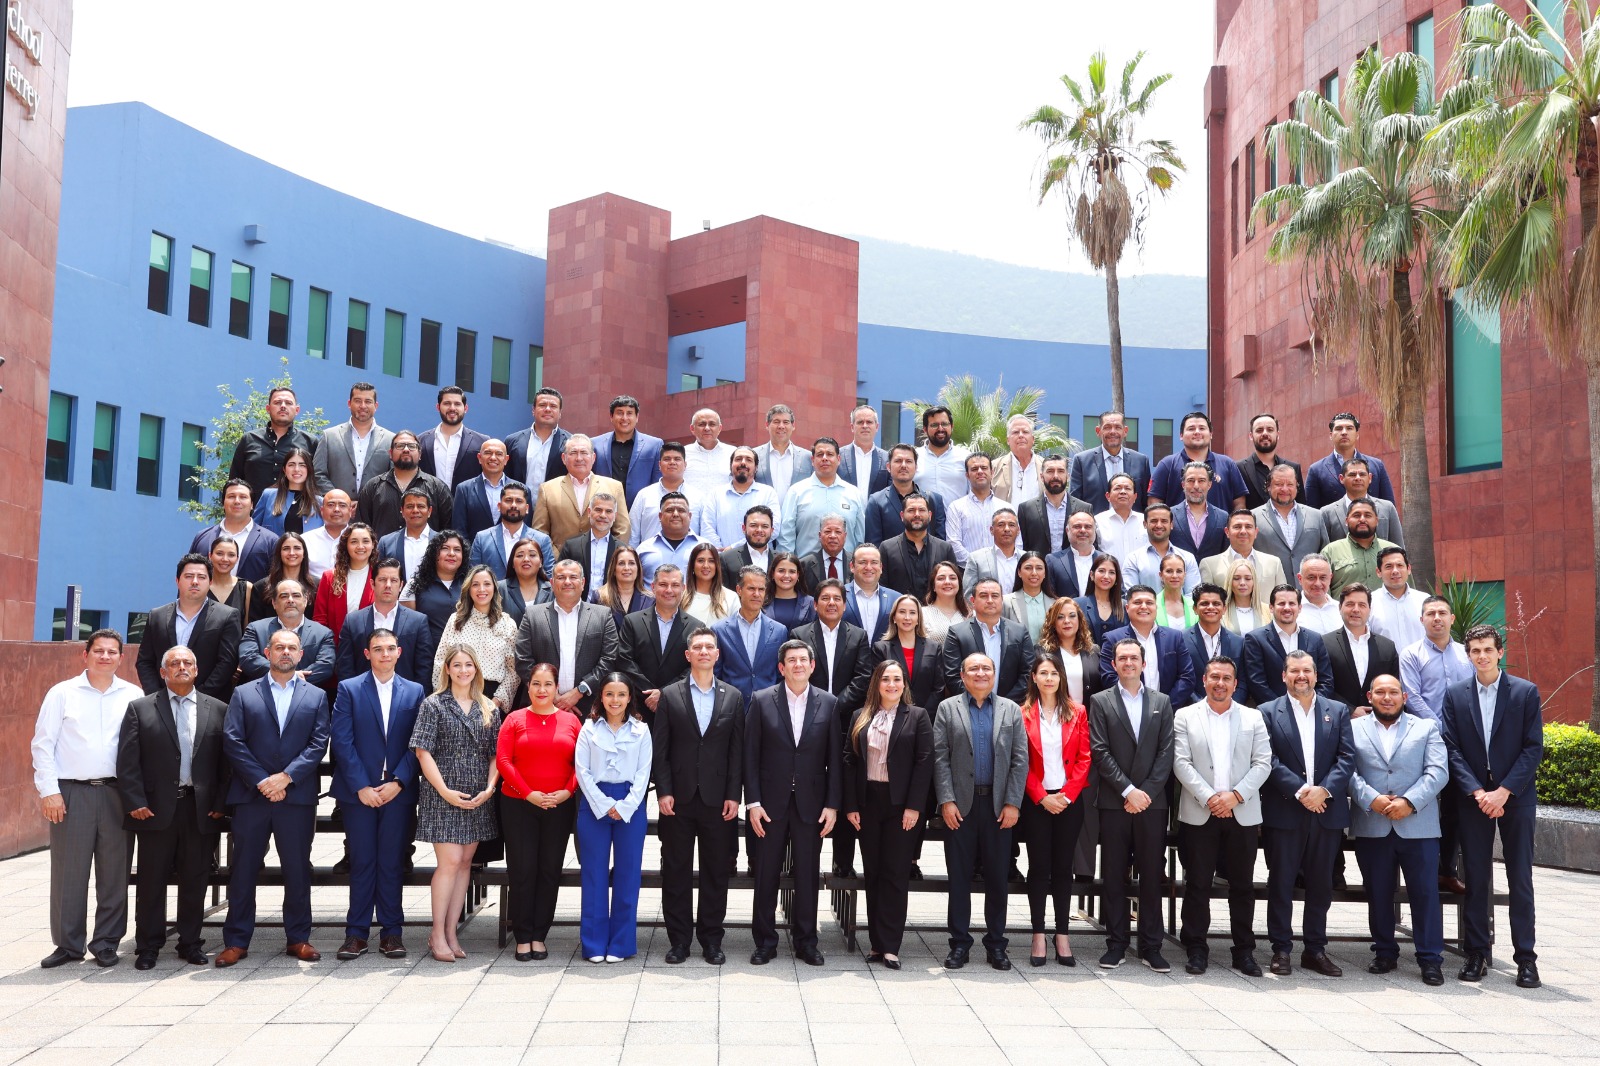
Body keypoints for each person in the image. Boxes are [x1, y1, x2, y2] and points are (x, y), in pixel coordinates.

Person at [215, 628, 330, 967]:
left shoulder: (316, 696)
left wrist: (286, 777)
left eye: (292, 648)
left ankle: (298, 938)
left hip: (296, 797)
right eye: (279, 647)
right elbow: (233, 740)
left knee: (297, 869)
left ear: (301, 655)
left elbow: (318, 743)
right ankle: (236, 940)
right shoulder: (243, 693)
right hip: (252, 796)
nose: (285, 652)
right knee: (244, 869)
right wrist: (262, 780)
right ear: (267, 653)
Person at [33, 630, 143, 969]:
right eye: (98, 651)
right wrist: (49, 791)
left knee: (115, 874)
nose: (105, 657)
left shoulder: (133, 695)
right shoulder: (62, 693)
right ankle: (68, 945)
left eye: (112, 652)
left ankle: (107, 942)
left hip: (116, 795)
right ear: (86, 655)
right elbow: (43, 745)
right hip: (71, 793)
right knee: (69, 872)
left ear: (121, 657)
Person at [1441, 625, 1543, 989]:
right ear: (1467, 654)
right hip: (1473, 800)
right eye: (1475, 650)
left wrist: (1504, 792)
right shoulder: (1455, 694)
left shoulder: (1524, 692)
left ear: (1500, 652)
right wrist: (1477, 791)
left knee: (1520, 877)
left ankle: (1526, 959)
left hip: (1516, 797)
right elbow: (1451, 748)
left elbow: (1533, 747)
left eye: (1488, 649)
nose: (1481, 656)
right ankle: (1476, 953)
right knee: (1476, 876)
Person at [117, 646, 229, 970]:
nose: (182, 666)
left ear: (197, 669)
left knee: (195, 879)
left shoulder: (218, 709)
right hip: (154, 810)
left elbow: (227, 763)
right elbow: (127, 760)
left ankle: (190, 943)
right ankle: (148, 946)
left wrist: (220, 803)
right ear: (163, 672)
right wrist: (135, 801)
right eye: (174, 663)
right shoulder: (140, 708)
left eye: (187, 662)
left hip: (200, 809)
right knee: (151, 881)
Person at [329, 629, 426, 962]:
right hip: (360, 793)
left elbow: (418, 742)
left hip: (397, 792)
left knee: (392, 862)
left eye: (390, 648)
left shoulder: (414, 691)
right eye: (378, 649)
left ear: (399, 652)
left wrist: (399, 781)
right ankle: (356, 934)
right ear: (367, 654)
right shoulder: (349, 689)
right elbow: (342, 741)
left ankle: (391, 933)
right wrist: (361, 786)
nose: (385, 654)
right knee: (362, 861)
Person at [745, 639, 844, 965]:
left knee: (807, 874)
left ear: (812, 666)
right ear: (781, 667)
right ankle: (765, 942)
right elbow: (750, 755)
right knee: (766, 873)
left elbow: (835, 759)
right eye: (792, 660)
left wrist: (832, 805)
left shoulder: (829, 703)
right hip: (769, 804)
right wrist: (753, 802)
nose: (798, 665)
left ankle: (806, 942)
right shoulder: (761, 700)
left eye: (803, 660)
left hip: (811, 804)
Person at [1172, 656, 1272, 976]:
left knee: (1242, 886)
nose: (1220, 683)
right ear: (1204, 680)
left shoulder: (1253, 717)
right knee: (1197, 884)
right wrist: (1210, 797)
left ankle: (1243, 951)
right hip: (1200, 812)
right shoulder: (1185, 716)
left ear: (1235, 684)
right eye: (1214, 677)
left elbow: (1263, 763)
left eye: (1226, 678)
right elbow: (1181, 762)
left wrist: (1235, 796)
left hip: (1241, 812)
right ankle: (1196, 948)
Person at [1258, 650, 1355, 977]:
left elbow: (1347, 758)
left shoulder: (1336, 710)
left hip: (1326, 810)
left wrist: (1323, 790)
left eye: (1307, 671)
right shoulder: (1267, 712)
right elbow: (1267, 759)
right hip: (1285, 810)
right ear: (1284, 676)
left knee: (1320, 885)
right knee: (1281, 883)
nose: (1301, 676)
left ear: (1316, 675)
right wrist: (1301, 791)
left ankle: (1315, 949)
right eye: (1294, 671)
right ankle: (1281, 949)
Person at [1349, 674, 1448, 985]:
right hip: (1372, 822)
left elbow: (1438, 772)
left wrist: (1409, 801)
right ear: (1370, 697)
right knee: (1378, 892)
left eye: (1393, 692)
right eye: (1380, 692)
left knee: (1425, 893)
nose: (1387, 697)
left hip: (1418, 825)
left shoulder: (1426, 727)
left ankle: (1430, 958)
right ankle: (1384, 952)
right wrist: (1371, 798)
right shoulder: (1352, 729)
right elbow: (1346, 769)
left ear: (1404, 697)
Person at [653, 627, 745, 964]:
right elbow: (660, 749)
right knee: (675, 872)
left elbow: (737, 751)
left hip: (718, 801)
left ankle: (711, 941)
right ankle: (679, 941)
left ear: (717, 654)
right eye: (698, 647)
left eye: (709, 647)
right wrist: (663, 791)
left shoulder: (733, 696)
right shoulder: (670, 695)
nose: (704, 651)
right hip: (677, 800)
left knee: (715, 873)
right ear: (688, 655)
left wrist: (734, 795)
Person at [932, 653, 1027, 970]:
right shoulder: (948, 708)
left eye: (986, 668)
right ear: (962, 675)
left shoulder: (1011, 710)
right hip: (960, 806)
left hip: (999, 807)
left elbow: (1020, 760)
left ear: (994, 674)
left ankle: (996, 944)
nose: (980, 673)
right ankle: (959, 943)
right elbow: (940, 757)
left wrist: (1013, 802)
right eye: (974, 668)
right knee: (959, 878)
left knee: (998, 878)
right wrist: (946, 800)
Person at [1088, 637, 1176, 971]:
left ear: (1143, 663)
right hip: (1115, 802)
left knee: (1151, 875)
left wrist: (1145, 793)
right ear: (1114, 664)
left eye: (1134, 658)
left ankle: (1151, 945)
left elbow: (1166, 752)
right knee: (1114, 874)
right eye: (1122, 658)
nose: (1128, 663)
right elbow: (1099, 750)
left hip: (1152, 804)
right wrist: (1128, 791)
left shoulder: (1162, 702)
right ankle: (1116, 943)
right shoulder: (1101, 701)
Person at [413, 645, 503, 963]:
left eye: (469, 665)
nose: (463, 670)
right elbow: (422, 751)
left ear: (476, 669)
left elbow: (496, 755)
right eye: (457, 665)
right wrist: (444, 791)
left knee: (465, 863)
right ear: (447, 670)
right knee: (449, 862)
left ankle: (452, 932)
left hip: (477, 795)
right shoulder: (433, 704)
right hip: (442, 795)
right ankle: (437, 933)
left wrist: (490, 789)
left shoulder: (489, 707)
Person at [844, 660, 934, 969]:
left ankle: (891, 945)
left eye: (897, 679)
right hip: (868, 802)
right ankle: (876, 943)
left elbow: (924, 762)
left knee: (895, 873)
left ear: (904, 684)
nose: (891, 684)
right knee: (873, 873)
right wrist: (851, 805)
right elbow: (849, 761)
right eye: (885, 679)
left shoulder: (918, 716)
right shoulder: (860, 716)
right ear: (876, 683)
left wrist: (914, 806)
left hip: (901, 805)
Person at [496, 660, 579, 962]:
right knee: (522, 870)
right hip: (519, 805)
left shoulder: (571, 722)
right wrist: (528, 793)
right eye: (536, 684)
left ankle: (539, 935)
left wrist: (568, 790)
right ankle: (522, 936)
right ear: (528, 687)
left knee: (548, 870)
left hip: (559, 806)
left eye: (548, 684)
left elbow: (582, 763)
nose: (542, 690)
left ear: (557, 688)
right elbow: (504, 761)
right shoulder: (514, 719)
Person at [793, 579, 875, 877]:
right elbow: (796, 675)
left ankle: (843, 862)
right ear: (815, 604)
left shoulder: (858, 636)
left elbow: (863, 677)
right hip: (806, 723)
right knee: (806, 786)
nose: (831, 603)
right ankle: (799, 862)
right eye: (825, 598)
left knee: (843, 789)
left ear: (844, 604)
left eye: (836, 599)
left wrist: (832, 705)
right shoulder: (799, 634)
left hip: (844, 723)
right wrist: (818, 707)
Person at [1017, 651, 1091, 967]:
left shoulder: (1077, 711)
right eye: (1043, 673)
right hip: (1037, 802)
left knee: (1063, 868)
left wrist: (1067, 795)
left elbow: (1085, 758)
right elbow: (1019, 760)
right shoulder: (1021, 714)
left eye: (1054, 673)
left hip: (1068, 801)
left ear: (1061, 678)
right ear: (1034, 678)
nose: (1049, 678)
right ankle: (1038, 934)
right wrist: (1040, 796)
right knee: (1038, 867)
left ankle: (1062, 934)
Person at [573, 675, 653, 963]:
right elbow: (582, 771)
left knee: (627, 874)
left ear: (630, 697)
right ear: (601, 697)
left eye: (621, 694)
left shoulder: (642, 731)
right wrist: (604, 804)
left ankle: (621, 943)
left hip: (631, 804)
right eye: (609, 694)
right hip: (594, 803)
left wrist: (626, 805)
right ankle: (594, 944)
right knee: (593, 874)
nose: (615, 700)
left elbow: (644, 773)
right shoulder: (588, 728)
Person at [513, 559, 621, 715]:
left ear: (583, 583)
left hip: (589, 708)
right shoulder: (533, 615)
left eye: (573, 577)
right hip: (541, 706)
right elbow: (522, 659)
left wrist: (579, 691)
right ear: (552, 583)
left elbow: (609, 658)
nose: (567, 582)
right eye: (561, 577)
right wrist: (552, 695)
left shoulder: (602, 615)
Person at [136, 553, 243, 703]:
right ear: (177, 581)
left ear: (210, 582)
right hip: (162, 702)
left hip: (208, 703)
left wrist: (195, 698)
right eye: (188, 576)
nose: (195, 582)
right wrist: (158, 696)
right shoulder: (157, 616)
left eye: (201, 577)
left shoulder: (227, 616)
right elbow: (144, 661)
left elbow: (227, 663)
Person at [336, 557, 436, 689]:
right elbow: (345, 668)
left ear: (401, 585)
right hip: (362, 695)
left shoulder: (418, 621)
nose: (388, 585)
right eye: (382, 579)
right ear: (372, 584)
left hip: (406, 697)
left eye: (394, 580)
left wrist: (417, 698)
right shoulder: (353, 621)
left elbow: (424, 668)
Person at [1098, 585, 1200, 710]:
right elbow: (1109, 678)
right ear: (1127, 608)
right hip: (1128, 712)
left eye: (1149, 603)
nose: (1144, 606)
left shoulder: (1174, 637)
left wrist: (1165, 707)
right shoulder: (1112, 639)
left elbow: (1187, 677)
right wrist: (1136, 706)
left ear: (1156, 608)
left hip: (1168, 712)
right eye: (1137, 602)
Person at [431, 565, 519, 706]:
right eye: (475, 584)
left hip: (491, 698)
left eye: (487, 584)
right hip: (455, 696)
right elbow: (440, 661)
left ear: (494, 588)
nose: (481, 589)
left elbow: (513, 671)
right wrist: (443, 698)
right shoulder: (456, 620)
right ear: (468, 589)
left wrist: (496, 702)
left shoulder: (508, 624)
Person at [619, 564, 693, 724]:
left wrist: (664, 694)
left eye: (675, 585)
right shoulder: (632, 621)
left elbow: (693, 667)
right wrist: (650, 695)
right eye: (663, 584)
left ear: (683, 588)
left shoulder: (696, 627)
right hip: (638, 709)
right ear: (653, 587)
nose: (669, 590)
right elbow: (624, 661)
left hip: (677, 710)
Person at [941, 578, 1035, 702]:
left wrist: (1004, 704)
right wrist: (979, 702)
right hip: (969, 707)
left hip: (1011, 706)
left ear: (1002, 600)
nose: (990, 600)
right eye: (983, 596)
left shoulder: (1020, 632)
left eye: (995, 596)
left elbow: (1028, 673)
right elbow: (952, 676)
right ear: (973, 601)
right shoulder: (957, 633)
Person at [1242, 584, 1335, 706]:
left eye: (1292, 603)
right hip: (1274, 712)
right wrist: (1283, 711)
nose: (1287, 608)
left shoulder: (1315, 639)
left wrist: (1312, 706)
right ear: (1271, 607)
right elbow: (1256, 683)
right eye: (1281, 603)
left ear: (1300, 608)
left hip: (1312, 710)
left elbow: (1326, 680)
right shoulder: (1255, 639)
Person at [533, 433, 631, 547]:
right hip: (559, 556)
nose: (579, 458)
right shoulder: (547, 489)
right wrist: (556, 556)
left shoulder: (614, 487)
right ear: (564, 458)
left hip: (602, 556)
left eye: (584, 453)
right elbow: (540, 532)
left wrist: (611, 555)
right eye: (573, 453)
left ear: (593, 458)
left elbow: (623, 529)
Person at [713, 567, 790, 705]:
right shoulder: (719, 630)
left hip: (768, 707)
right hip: (731, 707)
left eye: (761, 589)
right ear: (739, 590)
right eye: (751, 588)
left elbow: (782, 674)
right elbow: (715, 674)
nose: (757, 594)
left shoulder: (779, 631)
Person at [357, 431, 454, 540]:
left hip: (427, 551)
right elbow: (361, 529)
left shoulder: (438, 488)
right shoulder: (373, 487)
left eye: (412, 446)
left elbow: (449, 532)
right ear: (390, 453)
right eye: (400, 446)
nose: (406, 449)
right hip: (382, 550)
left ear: (420, 454)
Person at [237, 579, 335, 685]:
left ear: (305, 601)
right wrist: (288, 675)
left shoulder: (323, 634)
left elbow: (326, 665)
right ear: (274, 603)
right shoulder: (255, 629)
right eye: (284, 596)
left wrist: (295, 679)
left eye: (296, 595)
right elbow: (247, 658)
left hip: (305, 692)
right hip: (263, 691)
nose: (290, 600)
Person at [1323, 583, 1401, 718]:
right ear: (1340, 607)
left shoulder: (1387, 647)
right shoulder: (1324, 643)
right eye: (1350, 604)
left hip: (1378, 720)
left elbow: (1393, 687)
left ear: (1369, 609)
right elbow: (1322, 686)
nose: (1356, 609)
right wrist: (1349, 710)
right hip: (1338, 721)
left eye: (1362, 605)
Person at [780, 437, 866, 556]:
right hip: (805, 564)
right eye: (820, 455)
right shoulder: (797, 492)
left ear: (838, 459)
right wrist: (787, 563)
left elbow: (860, 538)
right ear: (812, 460)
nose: (825, 458)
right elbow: (786, 535)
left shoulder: (854, 494)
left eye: (830, 454)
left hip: (845, 566)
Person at [1148, 411, 1247, 513]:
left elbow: (1239, 502)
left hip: (1220, 523)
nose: (1197, 432)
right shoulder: (1167, 465)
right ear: (1181, 435)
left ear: (1211, 434)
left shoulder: (1227, 464)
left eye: (1202, 428)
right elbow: (1154, 501)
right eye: (1191, 429)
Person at [228, 385, 318, 497]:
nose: (283, 406)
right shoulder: (249, 439)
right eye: (277, 402)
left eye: (288, 403)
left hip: (296, 507)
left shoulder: (310, 442)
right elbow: (234, 481)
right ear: (268, 408)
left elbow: (316, 482)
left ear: (297, 410)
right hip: (254, 507)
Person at [1398, 597, 1474, 724]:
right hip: (1427, 731)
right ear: (1422, 620)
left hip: (1467, 728)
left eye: (1442, 613)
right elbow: (1412, 698)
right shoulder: (1411, 655)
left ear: (1452, 619)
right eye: (1431, 614)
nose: (1437, 618)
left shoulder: (1468, 653)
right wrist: (1439, 728)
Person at [189, 478, 280, 582]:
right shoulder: (202, 537)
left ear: (252, 505)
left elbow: (276, 581)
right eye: (231, 496)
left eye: (243, 497)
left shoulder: (270, 541)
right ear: (223, 503)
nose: (237, 501)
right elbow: (188, 576)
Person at [314, 381, 393, 496]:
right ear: (349, 403)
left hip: (375, 506)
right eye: (357, 401)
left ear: (376, 406)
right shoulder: (329, 436)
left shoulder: (391, 440)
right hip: (336, 505)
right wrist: (339, 499)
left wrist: (369, 502)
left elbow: (394, 477)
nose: (363, 406)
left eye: (368, 401)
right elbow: (317, 473)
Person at [1304, 411, 1396, 508]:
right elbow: (1310, 510)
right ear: (1331, 435)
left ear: (1357, 435)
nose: (1344, 432)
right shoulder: (1316, 470)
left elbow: (1388, 506)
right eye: (1339, 429)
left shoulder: (1376, 466)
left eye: (1349, 428)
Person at [1253, 462, 1326, 583]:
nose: (1285, 489)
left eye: (1290, 484)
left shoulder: (1316, 515)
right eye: (1278, 484)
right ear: (1268, 486)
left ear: (1297, 486)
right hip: (1270, 588)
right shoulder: (1254, 517)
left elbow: (1325, 555)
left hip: (1310, 589)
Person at [469, 482, 555, 581]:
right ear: (499, 506)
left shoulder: (542, 540)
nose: (513, 505)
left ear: (527, 508)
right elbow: (473, 575)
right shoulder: (482, 538)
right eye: (508, 500)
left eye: (519, 501)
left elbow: (549, 577)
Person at [629, 444, 709, 551]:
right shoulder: (644, 495)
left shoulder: (698, 497)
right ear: (659, 465)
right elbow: (633, 534)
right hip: (651, 556)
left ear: (685, 465)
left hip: (690, 557)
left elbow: (705, 532)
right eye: (667, 459)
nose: (672, 462)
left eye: (677, 459)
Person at [1070, 411, 1152, 515]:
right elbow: (1075, 502)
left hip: (1132, 523)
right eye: (1107, 427)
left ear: (1125, 431)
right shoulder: (1082, 461)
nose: (1112, 431)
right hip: (1095, 523)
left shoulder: (1141, 461)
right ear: (1098, 431)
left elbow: (1145, 502)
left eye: (1117, 427)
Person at [865, 443, 949, 544]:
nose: (903, 465)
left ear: (916, 467)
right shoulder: (876, 502)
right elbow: (873, 545)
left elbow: (941, 544)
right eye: (898, 461)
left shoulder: (933, 500)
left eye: (909, 461)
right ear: (888, 467)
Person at [700, 446, 781, 548]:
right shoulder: (715, 494)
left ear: (756, 468)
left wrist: (734, 548)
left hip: (759, 556)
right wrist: (723, 553)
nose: (743, 463)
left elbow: (774, 528)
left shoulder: (768, 493)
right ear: (731, 466)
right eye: (738, 459)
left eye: (749, 460)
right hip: (721, 556)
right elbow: (707, 529)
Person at [592, 394, 663, 508]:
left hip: (641, 510)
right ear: (611, 416)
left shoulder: (654, 445)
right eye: (619, 413)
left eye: (629, 413)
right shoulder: (595, 444)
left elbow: (657, 483)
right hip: (604, 510)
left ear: (637, 417)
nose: (624, 418)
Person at [881, 493, 956, 598]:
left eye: (921, 510)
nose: (917, 514)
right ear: (902, 516)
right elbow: (882, 587)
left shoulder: (944, 549)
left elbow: (953, 585)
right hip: (899, 607)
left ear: (930, 515)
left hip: (936, 607)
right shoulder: (887, 548)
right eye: (911, 510)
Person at [312, 522, 376, 646]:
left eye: (365, 541)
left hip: (372, 648)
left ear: (373, 545)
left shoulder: (380, 577)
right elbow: (320, 619)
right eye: (354, 542)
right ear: (346, 545)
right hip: (336, 647)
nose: (360, 546)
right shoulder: (329, 577)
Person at [1318, 457, 1405, 545]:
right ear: (1341, 478)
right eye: (1352, 475)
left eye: (1362, 474)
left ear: (1370, 478)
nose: (1358, 478)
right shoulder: (1327, 513)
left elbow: (1398, 546)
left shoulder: (1387, 508)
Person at [1019, 453, 1094, 554]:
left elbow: (1090, 545)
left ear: (1068, 476)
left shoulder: (1084, 508)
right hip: (1038, 563)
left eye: (1061, 471)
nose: (1055, 476)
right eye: (1050, 471)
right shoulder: (1026, 509)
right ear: (1041, 476)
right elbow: (1023, 547)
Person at [1198, 509, 1290, 592]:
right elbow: (1206, 600)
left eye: (1248, 527)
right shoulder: (1209, 565)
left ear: (1256, 532)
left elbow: (1283, 598)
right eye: (1237, 527)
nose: (1243, 531)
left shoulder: (1274, 563)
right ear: (1227, 532)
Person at [416, 385, 487, 491]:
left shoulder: (482, 442)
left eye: (457, 404)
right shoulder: (420, 441)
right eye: (447, 403)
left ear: (465, 408)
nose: (452, 408)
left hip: (465, 502)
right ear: (438, 407)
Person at [636, 490, 709, 592]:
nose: (675, 514)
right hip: (652, 602)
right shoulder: (643, 549)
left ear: (690, 516)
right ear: (660, 516)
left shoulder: (705, 548)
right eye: (669, 510)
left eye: (681, 510)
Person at [1121, 503, 1201, 595]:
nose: (1159, 525)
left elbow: (1193, 595)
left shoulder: (1187, 558)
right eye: (1154, 521)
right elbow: (1132, 595)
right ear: (1145, 524)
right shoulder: (1133, 559)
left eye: (1164, 521)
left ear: (1171, 525)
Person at [504, 385, 570, 497]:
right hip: (518, 505)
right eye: (542, 405)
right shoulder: (512, 441)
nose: (547, 409)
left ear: (560, 413)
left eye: (553, 406)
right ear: (533, 410)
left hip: (555, 506)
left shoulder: (571, 444)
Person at [559, 491, 626, 600]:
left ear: (615, 516)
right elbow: (560, 577)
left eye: (608, 511)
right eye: (598, 510)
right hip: (576, 605)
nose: (603, 515)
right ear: (589, 512)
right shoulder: (571, 546)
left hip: (610, 607)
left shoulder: (622, 550)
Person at [1324, 499, 1399, 596]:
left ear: (1377, 521)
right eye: (1356, 515)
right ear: (1346, 521)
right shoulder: (1330, 552)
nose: (1362, 519)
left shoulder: (1394, 551)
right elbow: (1322, 592)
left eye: (1368, 515)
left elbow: (1407, 590)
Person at [406, 531, 467, 647]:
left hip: (465, 653)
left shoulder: (472, 583)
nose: (452, 553)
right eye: (445, 548)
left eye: (457, 550)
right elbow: (408, 627)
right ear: (434, 553)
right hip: (427, 652)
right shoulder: (415, 584)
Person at [450, 437, 514, 544]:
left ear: (506, 459)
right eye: (488, 453)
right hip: (474, 552)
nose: (493, 458)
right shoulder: (464, 489)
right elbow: (459, 530)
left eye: (499, 454)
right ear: (479, 458)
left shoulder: (519, 490)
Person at [1167, 462, 1231, 563]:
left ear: (1209, 485)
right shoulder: (1170, 514)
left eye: (1201, 481)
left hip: (1211, 573)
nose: (1196, 486)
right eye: (1191, 481)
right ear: (1183, 484)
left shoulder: (1223, 517)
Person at [1240, 413, 1306, 511]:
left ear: (1277, 435)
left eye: (1270, 430)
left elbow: (1301, 507)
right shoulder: (1238, 468)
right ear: (1251, 436)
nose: (1265, 433)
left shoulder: (1294, 468)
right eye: (1259, 430)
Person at [945, 454, 1002, 565]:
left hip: (1001, 570)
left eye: (984, 468)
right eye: (974, 469)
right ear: (967, 475)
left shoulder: (1005, 507)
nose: (980, 471)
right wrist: (977, 565)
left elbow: (1016, 543)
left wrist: (1000, 564)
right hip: (967, 571)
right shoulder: (956, 507)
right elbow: (953, 544)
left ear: (992, 472)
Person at [253, 446, 323, 537]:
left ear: (309, 470)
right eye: (291, 465)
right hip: (273, 546)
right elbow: (254, 530)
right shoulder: (268, 496)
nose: (296, 469)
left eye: (302, 465)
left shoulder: (320, 502)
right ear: (284, 469)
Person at [1368, 546, 1429, 649]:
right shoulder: (1369, 602)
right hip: (1384, 660)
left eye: (1400, 565)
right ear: (1379, 572)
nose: (1395, 571)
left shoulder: (1424, 601)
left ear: (1408, 569)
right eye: (1388, 566)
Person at [1184, 583, 1245, 684]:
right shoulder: (1181, 640)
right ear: (1195, 609)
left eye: (1216, 604)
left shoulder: (1238, 642)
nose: (1211, 607)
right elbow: (1181, 677)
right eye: (1204, 603)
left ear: (1224, 609)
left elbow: (1242, 681)